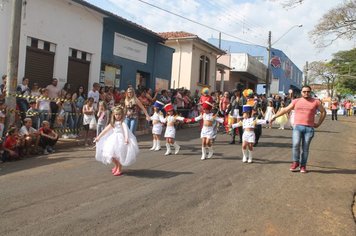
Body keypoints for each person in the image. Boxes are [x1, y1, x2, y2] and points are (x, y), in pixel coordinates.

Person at [271, 85, 326, 173]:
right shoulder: (296, 101)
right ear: (301, 92)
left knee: (305, 148)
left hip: (309, 128)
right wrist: (274, 116)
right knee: (296, 144)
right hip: (297, 127)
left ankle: (303, 166)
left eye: (308, 91)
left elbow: (323, 112)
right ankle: (295, 162)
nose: (306, 93)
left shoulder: (316, 102)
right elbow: (285, 110)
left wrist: (319, 123)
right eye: (304, 91)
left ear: (310, 92)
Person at [94, 106, 139, 176]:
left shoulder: (122, 123)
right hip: (113, 139)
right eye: (116, 114)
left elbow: (126, 131)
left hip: (120, 139)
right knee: (111, 155)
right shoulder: (113, 123)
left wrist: (126, 138)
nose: (117, 116)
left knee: (119, 155)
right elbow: (105, 130)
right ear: (114, 115)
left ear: (122, 115)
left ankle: (119, 168)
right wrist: (98, 137)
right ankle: (116, 166)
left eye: (119, 114)